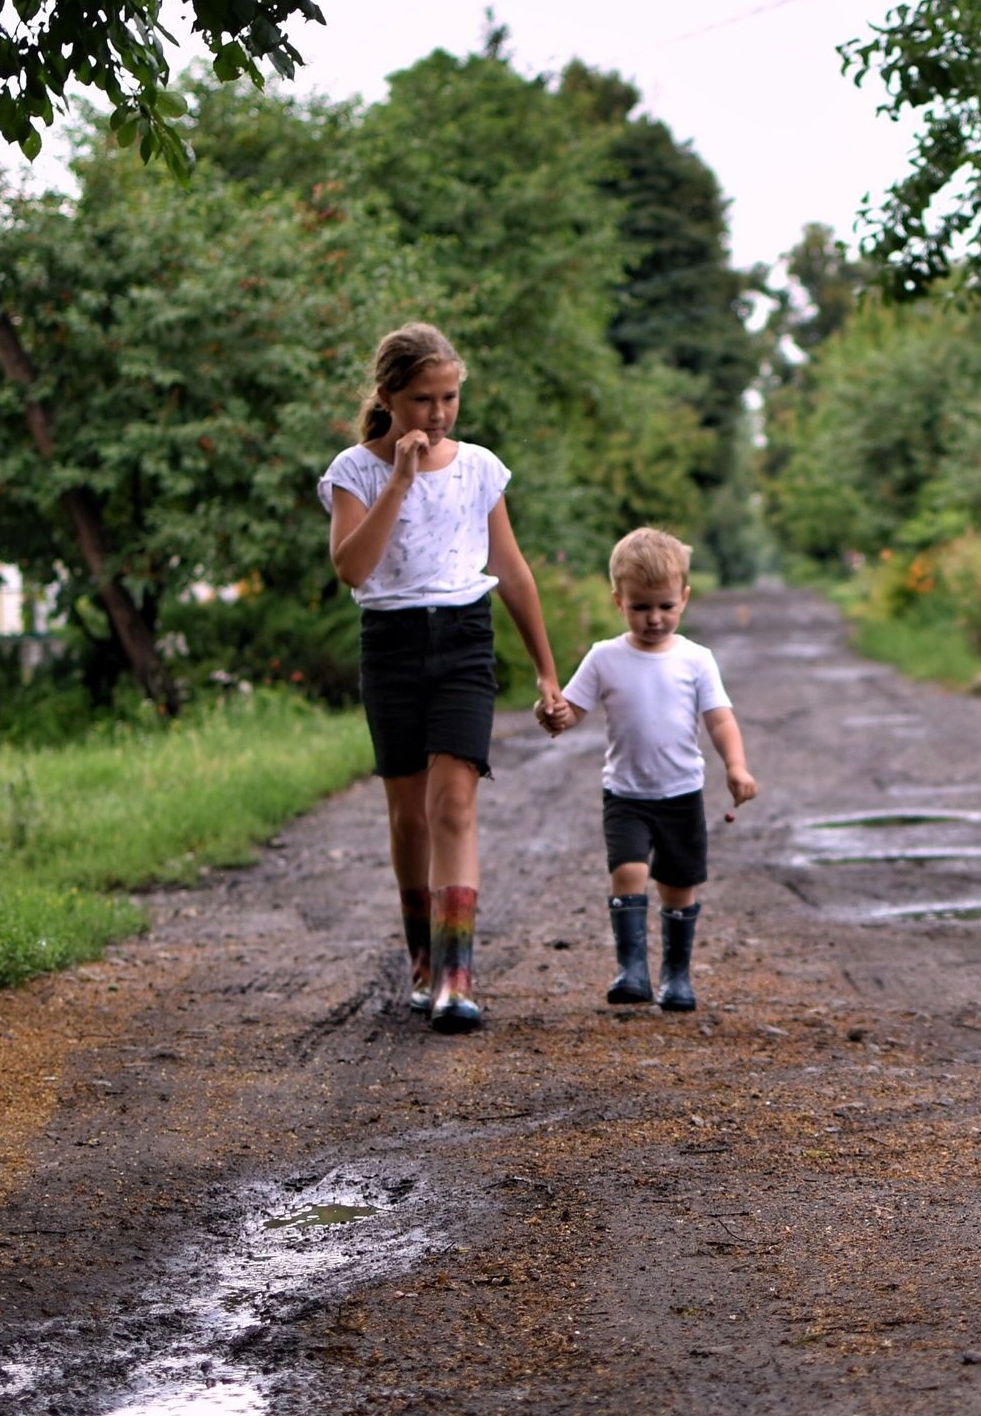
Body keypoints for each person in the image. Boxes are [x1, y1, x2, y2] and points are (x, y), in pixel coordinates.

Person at [321, 323, 565, 1032]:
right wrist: (399, 480)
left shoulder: (479, 467)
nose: (438, 413)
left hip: (464, 639)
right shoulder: (354, 471)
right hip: (391, 645)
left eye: (449, 397)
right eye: (423, 399)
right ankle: (424, 961)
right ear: (388, 397)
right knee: (409, 816)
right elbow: (351, 568)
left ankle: (457, 977)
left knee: (454, 805)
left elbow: (511, 569)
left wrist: (547, 672)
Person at [539, 528, 756, 1012]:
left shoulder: (696, 659)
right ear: (619, 601)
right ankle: (631, 971)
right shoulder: (604, 657)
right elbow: (572, 710)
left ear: (684, 599)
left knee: (678, 886)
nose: (654, 618)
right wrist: (553, 714)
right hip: (626, 795)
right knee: (629, 870)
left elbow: (720, 719)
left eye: (665, 606)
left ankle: (676, 977)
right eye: (640, 607)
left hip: (682, 794)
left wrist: (736, 766)